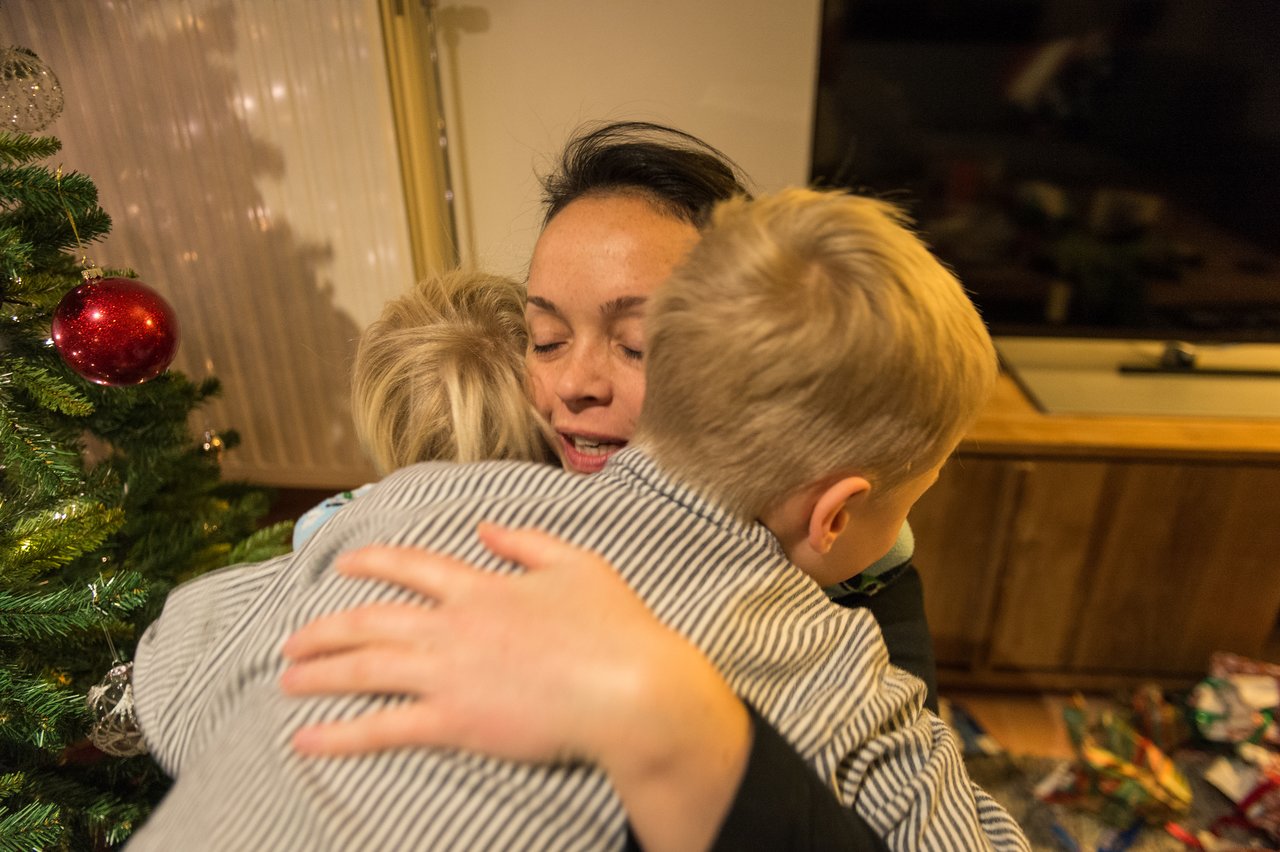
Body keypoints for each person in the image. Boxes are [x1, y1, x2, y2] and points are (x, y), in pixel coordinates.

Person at [128, 188, 1026, 851]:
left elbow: (177, 680)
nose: (572, 379)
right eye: (546, 338)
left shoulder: (415, 502)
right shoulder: (842, 676)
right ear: (836, 515)